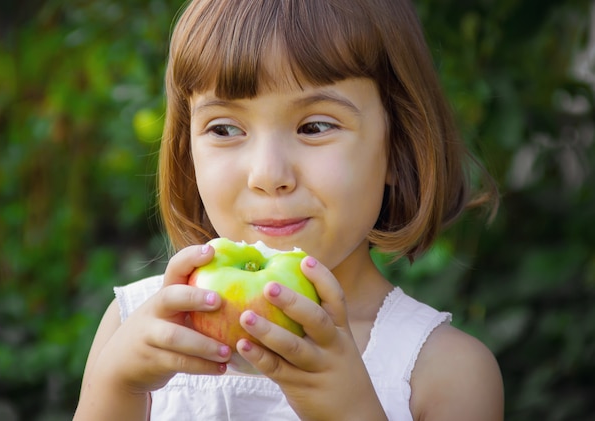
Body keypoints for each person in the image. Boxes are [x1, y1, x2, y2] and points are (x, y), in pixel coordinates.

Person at [73, 0, 504, 419]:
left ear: (398, 149)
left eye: (315, 127)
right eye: (224, 128)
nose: (268, 174)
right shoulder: (136, 330)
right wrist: (118, 388)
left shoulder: (446, 374)